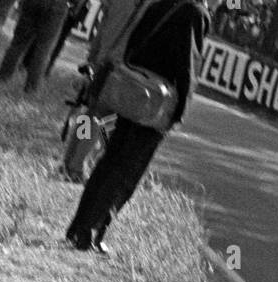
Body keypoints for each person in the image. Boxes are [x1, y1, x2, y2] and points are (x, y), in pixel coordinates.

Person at [65, 0, 210, 253]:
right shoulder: (194, 13)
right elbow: (188, 64)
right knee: (127, 171)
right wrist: (179, 111)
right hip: (156, 100)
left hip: (131, 87)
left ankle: (81, 226)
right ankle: (91, 231)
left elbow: (133, 40)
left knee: (110, 161)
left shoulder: (161, 4)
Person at [0, 0, 68, 91]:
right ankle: (31, 88)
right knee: (43, 49)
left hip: (32, 3)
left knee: (18, 43)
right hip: (57, 5)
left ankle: (3, 77)